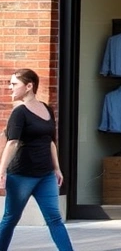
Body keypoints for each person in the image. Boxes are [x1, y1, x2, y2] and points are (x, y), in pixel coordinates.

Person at [0, 69, 74, 251]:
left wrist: (56, 168)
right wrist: (1, 171)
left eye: (14, 84)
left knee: (54, 219)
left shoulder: (47, 109)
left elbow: (50, 142)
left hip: (46, 176)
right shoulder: (19, 113)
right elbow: (12, 143)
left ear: (29, 86)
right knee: (11, 219)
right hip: (21, 176)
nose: (10, 87)